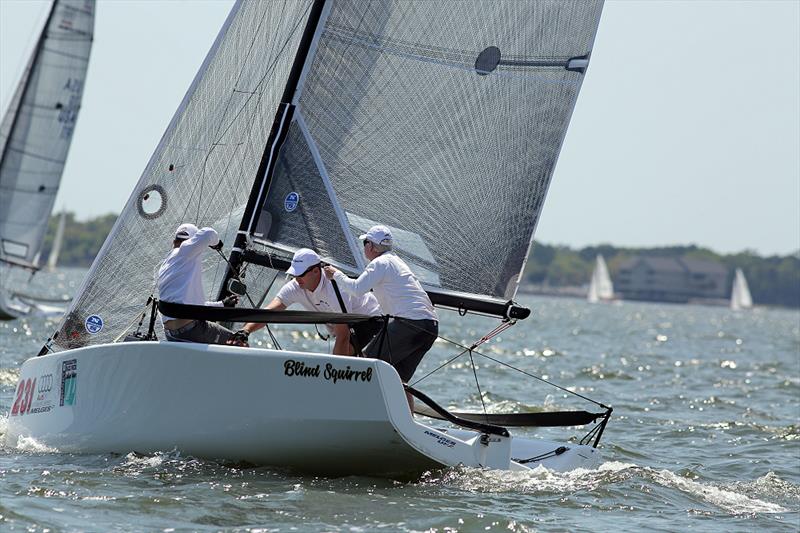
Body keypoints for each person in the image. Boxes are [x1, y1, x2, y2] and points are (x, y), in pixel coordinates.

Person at [323, 225, 438, 397]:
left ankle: (352, 408)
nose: (364, 248)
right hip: (430, 327)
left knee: (367, 364)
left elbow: (356, 289)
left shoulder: (379, 263)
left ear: (371, 246)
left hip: (410, 324)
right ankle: (407, 422)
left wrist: (336, 274)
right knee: (399, 381)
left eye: (365, 243)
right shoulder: (396, 261)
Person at [232, 248, 381, 355]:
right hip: (346, 327)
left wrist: (336, 372)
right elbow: (269, 312)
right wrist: (245, 331)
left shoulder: (335, 289)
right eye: (294, 274)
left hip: (371, 320)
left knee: (346, 354)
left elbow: (343, 336)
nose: (297, 279)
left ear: (316, 271)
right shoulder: (296, 286)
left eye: (300, 274)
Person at [157, 223, 240, 344]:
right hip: (191, 331)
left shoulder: (166, 266)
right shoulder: (185, 251)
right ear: (191, 241)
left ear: (174, 241)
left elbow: (190, 306)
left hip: (171, 334)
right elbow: (208, 233)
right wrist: (216, 244)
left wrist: (221, 304)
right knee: (239, 342)